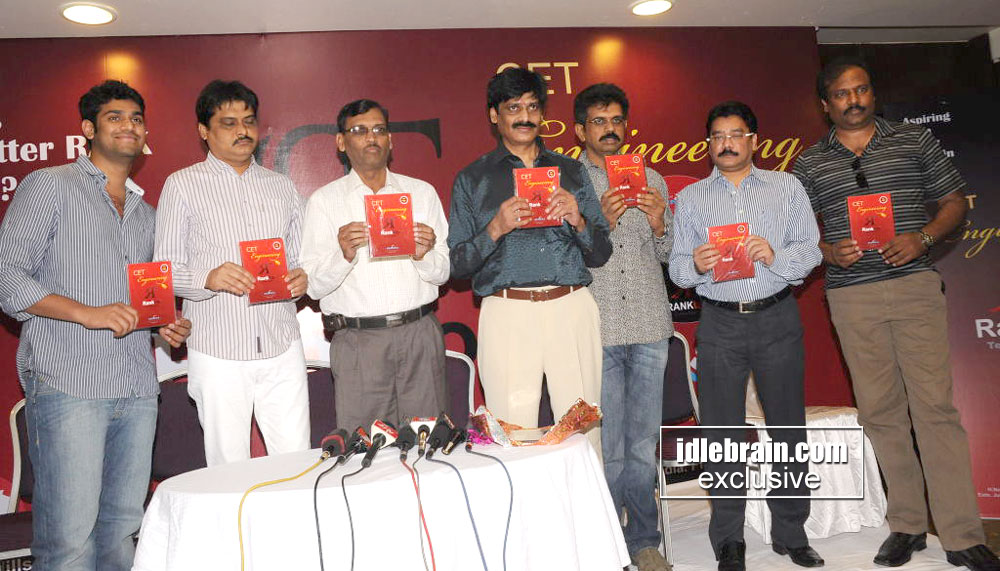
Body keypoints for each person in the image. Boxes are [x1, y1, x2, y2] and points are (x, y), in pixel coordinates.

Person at [793, 57, 1000, 571]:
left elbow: (955, 201)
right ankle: (907, 525)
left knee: (935, 410)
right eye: (842, 94)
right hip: (851, 296)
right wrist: (826, 249)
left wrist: (923, 237)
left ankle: (961, 534)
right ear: (825, 105)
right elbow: (794, 233)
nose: (854, 100)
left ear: (873, 93)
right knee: (881, 413)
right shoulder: (810, 163)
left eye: (861, 89)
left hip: (914, 287)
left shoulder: (914, 140)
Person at [0, 80, 191, 570]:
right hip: (69, 383)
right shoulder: (50, 185)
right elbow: (6, 275)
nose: (129, 126)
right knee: (69, 539)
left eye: (136, 118)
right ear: (88, 129)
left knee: (121, 531)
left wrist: (162, 327)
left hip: (137, 388)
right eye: (114, 117)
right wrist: (88, 312)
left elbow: (142, 302)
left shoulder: (148, 214)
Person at [669, 101, 823, 571]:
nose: (727, 143)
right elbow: (677, 267)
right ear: (708, 144)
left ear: (753, 140)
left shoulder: (786, 186)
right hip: (720, 322)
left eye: (736, 134)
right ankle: (729, 540)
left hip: (776, 317)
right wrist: (696, 264)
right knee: (722, 435)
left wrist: (775, 256)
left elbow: (811, 251)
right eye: (717, 136)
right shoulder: (692, 197)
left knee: (787, 428)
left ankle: (791, 532)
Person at [448, 68, 611, 451]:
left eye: (533, 107)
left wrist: (578, 219)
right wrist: (496, 228)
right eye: (513, 108)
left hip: (570, 307)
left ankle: (584, 494)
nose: (525, 116)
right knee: (512, 433)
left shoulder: (571, 171)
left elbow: (601, 251)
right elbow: (456, 263)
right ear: (494, 115)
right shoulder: (472, 179)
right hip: (508, 313)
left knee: (583, 432)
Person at [155, 80, 310, 466]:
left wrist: (301, 279)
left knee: (296, 462)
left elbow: (301, 259)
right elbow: (165, 270)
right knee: (227, 468)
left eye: (249, 121)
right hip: (218, 349)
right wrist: (209, 278)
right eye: (228, 123)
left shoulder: (282, 186)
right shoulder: (182, 185)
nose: (243, 131)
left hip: (281, 342)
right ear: (203, 131)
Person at [301, 99, 449, 431]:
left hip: (419, 335)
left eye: (379, 129)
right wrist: (343, 255)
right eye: (359, 130)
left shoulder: (421, 193)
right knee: (366, 447)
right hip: (358, 341)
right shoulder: (324, 201)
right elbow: (313, 286)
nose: (372, 137)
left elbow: (443, 273)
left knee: (427, 443)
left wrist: (423, 254)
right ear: (341, 142)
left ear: (390, 140)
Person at [573, 83, 673, 571]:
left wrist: (659, 225)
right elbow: (565, 257)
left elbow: (669, 257)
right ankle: (611, 540)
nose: (609, 129)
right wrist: (602, 226)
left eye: (616, 120)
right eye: (598, 121)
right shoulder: (570, 183)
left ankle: (646, 541)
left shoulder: (652, 178)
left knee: (643, 442)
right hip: (599, 327)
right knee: (609, 445)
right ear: (580, 131)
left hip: (651, 322)